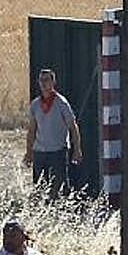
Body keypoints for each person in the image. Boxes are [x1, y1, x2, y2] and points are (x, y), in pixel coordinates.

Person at [24, 68, 82, 198]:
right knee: (39, 187)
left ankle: (60, 207)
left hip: (58, 151)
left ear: (53, 82)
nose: (43, 83)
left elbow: (73, 127)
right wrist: (29, 152)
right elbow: (31, 130)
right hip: (40, 152)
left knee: (59, 186)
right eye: (41, 80)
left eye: (46, 80)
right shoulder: (35, 105)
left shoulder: (61, 103)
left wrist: (77, 149)